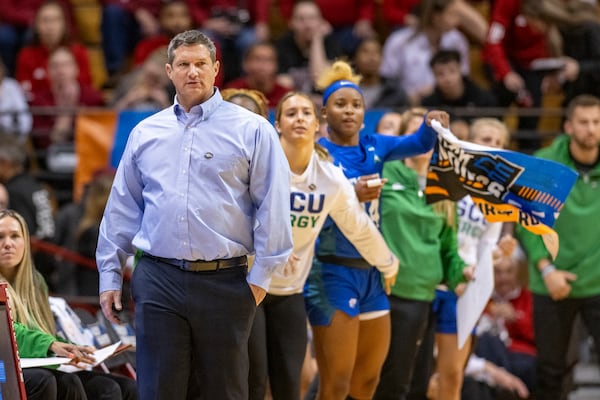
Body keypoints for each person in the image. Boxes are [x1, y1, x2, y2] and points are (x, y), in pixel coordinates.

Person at [96, 30, 293, 399]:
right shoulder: (145, 132)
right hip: (158, 278)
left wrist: (259, 282)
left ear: (216, 68)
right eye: (184, 64)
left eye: (201, 63)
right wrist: (109, 274)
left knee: (224, 390)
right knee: (158, 389)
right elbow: (121, 209)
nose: (193, 72)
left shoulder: (253, 130)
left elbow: (274, 208)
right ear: (169, 71)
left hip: (226, 282)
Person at [303, 60, 443, 400]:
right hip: (331, 272)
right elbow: (315, 202)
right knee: (335, 383)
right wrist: (352, 191)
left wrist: (433, 122)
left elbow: (420, 143)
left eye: (356, 105)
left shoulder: (376, 146)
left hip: (373, 274)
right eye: (340, 104)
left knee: (366, 384)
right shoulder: (317, 154)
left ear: (365, 113)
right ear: (324, 114)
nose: (349, 111)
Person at [247, 91, 399, 400]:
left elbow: (360, 228)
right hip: (248, 287)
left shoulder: (331, 177)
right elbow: (232, 221)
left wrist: (388, 263)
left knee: (290, 384)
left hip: (290, 291)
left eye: (306, 113)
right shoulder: (258, 166)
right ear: (277, 125)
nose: (300, 118)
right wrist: (270, 251)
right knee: (252, 382)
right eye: (291, 113)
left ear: (318, 124)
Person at [373, 107, 471, 400]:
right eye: (418, 132)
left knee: (412, 383)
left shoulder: (444, 188)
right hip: (384, 290)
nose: (426, 139)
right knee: (376, 378)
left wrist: (461, 273)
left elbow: (448, 249)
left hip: (423, 297)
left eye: (432, 134)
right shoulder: (385, 172)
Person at [1, 209, 137, 399]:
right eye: (0, 237)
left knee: (120, 387)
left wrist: (72, 349)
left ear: (25, 242)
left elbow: (44, 333)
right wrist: (52, 345)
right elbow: (8, 334)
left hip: (38, 364)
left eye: (15, 236)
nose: (8, 244)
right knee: (59, 382)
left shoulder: (35, 282)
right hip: (4, 369)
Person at [517, 94, 600, 400]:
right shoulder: (546, 164)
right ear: (568, 126)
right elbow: (526, 221)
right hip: (551, 278)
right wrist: (546, 267)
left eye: (596, 122)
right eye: (584, 122)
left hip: (597, 281)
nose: (591, 129)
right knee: (551, 372)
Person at [379, 0, 469, 105]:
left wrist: (436, 89)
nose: (457, 21)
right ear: (436, 17)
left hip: (447, 104)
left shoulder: (458, 41)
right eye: (452, 15)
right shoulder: (399, 41)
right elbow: (388, 80)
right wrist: (407, 96)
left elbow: (463, 76)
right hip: (406, 104)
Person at [15, 1, 92, 102]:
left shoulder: (79, 52)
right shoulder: (26, 55)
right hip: (39, 113)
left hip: (76, 110)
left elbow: (86, 89)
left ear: (64, 24)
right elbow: (25, 93)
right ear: (36, 25)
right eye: (45, 20)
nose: (50, 26)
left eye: (56, 20)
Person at [225, 42, 291, 108]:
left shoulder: (286, 96)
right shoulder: (232, 92)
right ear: (245, 63)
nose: (262, 66)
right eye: (257, 59)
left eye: (268, 60)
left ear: (276, 65)